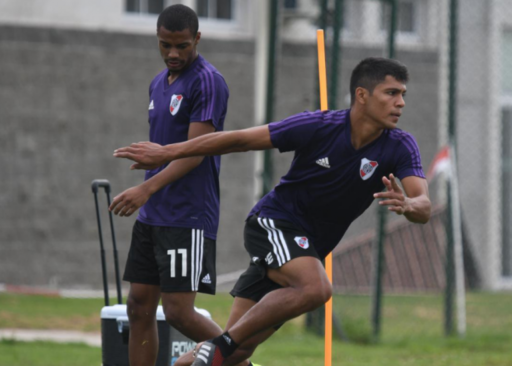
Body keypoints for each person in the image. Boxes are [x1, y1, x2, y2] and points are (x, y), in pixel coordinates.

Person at [114, 57, 432, 366]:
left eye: (403, 94)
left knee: (233, 356)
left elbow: (424, 206)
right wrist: (167, 152)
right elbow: (239, 140)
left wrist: (408, 205)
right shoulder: (318, 125)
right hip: (273, 224)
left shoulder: (400, 145)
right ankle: (220, 347)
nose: (400, 102)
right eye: (391, 93)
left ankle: (211, 351)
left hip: (304, 251)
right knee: (315, 288)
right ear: (361, 95)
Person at [108, 5, 258, 366]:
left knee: (177, 312)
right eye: (165, 45)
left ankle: (242, 362)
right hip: (154, 214)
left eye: (182, 46)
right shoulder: (158, 83)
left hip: (187, 215)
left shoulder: (208, 81)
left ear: (198, 39)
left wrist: (146, 189)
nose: (173, 54)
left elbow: (197, 153)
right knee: (139, 306)